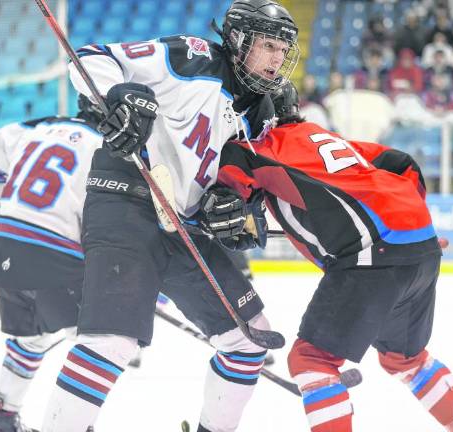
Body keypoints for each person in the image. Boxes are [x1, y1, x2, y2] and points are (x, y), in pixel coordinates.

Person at [41, 1, 299, 431]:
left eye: (282, 49)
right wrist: (120, 97)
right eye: (268, 45)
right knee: (112, 341)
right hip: (127, 197)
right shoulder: (192, 55)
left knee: (248, 340)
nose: (277, 59)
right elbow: (90, 59)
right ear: (238, 41)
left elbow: (246, 192)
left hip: (183, 226)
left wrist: (234, 210)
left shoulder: (262, 113)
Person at [215, 82, 453, 431]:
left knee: (311, 360)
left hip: (373, 255)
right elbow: (403, 164)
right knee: (406, 360)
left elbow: (223, 197)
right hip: (421, 243)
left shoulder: (251, 149)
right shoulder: (328, 138)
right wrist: (409, 225)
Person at [0, 97, 104, 432]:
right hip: (57, 259)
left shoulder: (36, 127)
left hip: (4, 250)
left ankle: (2, 418)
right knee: (98, 341)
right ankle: (74, 423)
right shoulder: (107, 147)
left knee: (31, 338)